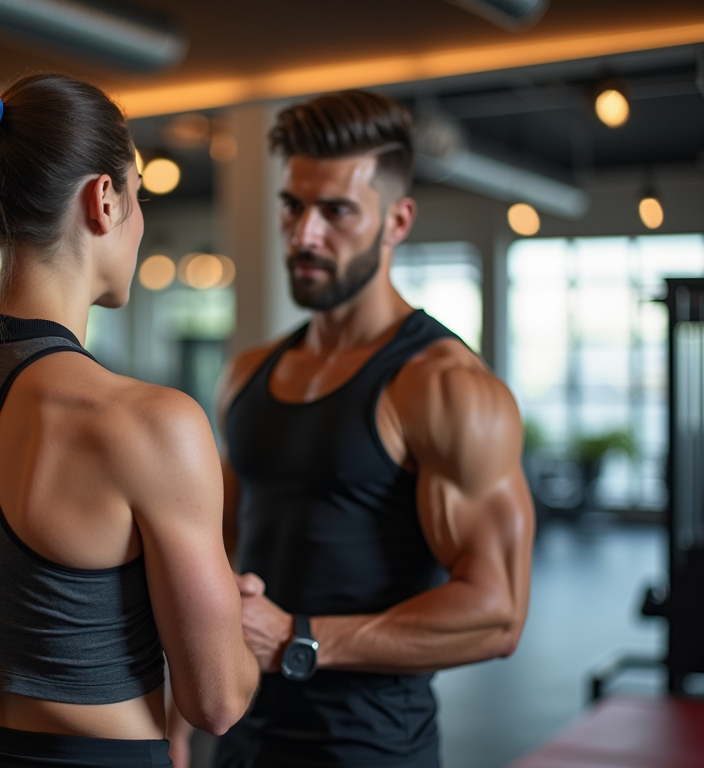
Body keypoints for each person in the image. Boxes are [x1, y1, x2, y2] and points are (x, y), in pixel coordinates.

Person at [0, 73, 259, 768]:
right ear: (103, 201)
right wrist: (233, 620)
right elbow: (217, 700)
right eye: (139, 194)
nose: (141, 221)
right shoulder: (151, 423)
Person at [168, 90, 535, 767]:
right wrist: (179, 710)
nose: (305, 234)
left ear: (397, 221)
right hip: (241, 737)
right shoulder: (247, 374)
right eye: (292, 206)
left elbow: (498, 612)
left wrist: (298, 638)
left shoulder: (445, 387)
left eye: (336, 211)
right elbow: (222, 547)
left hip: (367, 748)